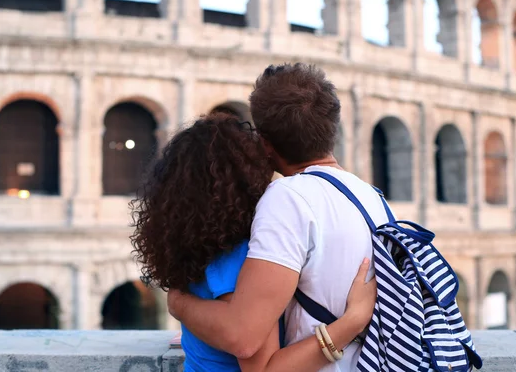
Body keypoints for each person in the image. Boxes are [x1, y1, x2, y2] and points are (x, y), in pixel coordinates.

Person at [167, 64, 390, 371]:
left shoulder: (288, 198)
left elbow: (245, 339)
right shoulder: (372, 196)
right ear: (331, 130)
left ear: (265, 144)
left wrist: (179, 304)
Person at [130, 113, 376, 371]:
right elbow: (247, 346)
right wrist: (353, 321)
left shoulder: (197, 246)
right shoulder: (238, 254)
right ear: (250, 178)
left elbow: (217, 328)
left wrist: (182, 308)